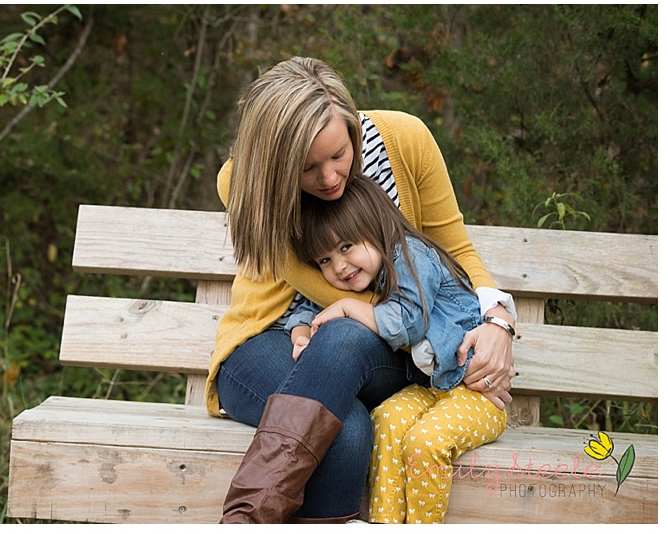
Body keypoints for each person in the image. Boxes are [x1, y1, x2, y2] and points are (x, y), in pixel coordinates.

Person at [205, 56, 517, 524]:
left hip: (382, 347)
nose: (330, 178)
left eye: (339, 155)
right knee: (347, 433)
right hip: (272, 341)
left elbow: (454, 251)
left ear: (353, 127)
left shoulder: (406, 141)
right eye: (308, 168)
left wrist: (497, 322)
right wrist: (315, 323)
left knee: (345, 335)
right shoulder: (244, 179)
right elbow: (317, 283)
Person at [285, 175, 507, 523]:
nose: (338, 266)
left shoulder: (410, 255)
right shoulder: (368, 277)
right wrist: (302, 331)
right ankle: (385, 524)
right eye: (324, 261)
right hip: (433, 391)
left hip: (478, 395)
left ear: (377, 227)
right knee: (385, 421)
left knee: (424, 443)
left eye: (346, 247)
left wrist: (344, 307)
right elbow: (310, 309)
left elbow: (406, 323)